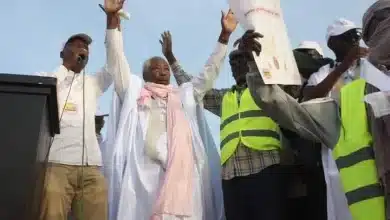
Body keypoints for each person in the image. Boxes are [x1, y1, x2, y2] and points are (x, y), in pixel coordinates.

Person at [245, 10, 389, 218]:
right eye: (350, 36)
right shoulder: (335, 90)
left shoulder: (373, 72)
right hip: (340, 175)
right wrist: (256, 66)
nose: (356, 41)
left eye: (358, 36)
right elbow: (294, 105)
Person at [102, 9, 238, 220]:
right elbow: (116, 60)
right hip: (143, 175)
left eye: (166, 68)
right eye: (157, 68)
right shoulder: (135, 91)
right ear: (146, 72)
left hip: (182, 176)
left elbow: (209, 73)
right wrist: (112, 21)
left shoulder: (184, 94)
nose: (164, 71)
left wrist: (224, 37)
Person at [161, 28, 288, 219]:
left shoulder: (266, 90)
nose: (235, 65)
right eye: (232, 62)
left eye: (241, 60)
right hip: (232, 176)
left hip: (264, 168)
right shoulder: (224, 98)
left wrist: (251, 53)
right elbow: (193, 88)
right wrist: (171, 59)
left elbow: (276, 72)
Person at [37, 1, 126, 219]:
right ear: (62, 53)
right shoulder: (47, 77)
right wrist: (65, 67)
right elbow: (43, 95)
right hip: (56, 165)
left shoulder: (93, 83)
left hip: (91, 168)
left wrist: (112, 20)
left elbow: (115, 62)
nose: (82, 49)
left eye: (84, 47)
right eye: (75, 45)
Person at [302, 18, 368, 102]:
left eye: (356, 36)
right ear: (332, 43)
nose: (354, 40)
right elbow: (309, 96)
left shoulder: (369, 64)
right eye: (348, 36)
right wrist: (345, 65)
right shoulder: (325, 71)